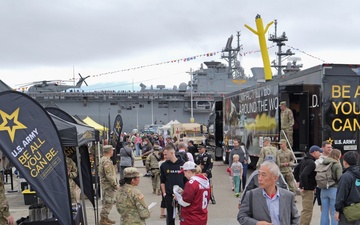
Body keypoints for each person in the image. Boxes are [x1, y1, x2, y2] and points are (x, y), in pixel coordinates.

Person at [160, 144, 185, 225]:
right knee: (170, 216)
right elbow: (162, 181)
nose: (164, 156)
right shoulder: (164, 165)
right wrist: (164, 194)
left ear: (172, 153)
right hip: (169, 194)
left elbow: (187, 180)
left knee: (183, 215)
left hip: (182, 195)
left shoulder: (183, 164)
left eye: (165, 154)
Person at [297, 145, 322, 225]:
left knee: (307, 209)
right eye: (319, 152)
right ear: (314, 152)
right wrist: (305, 186)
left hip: (307, 188)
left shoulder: (304, 160)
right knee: (307, 210)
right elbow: (304, 174)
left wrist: (298, 181)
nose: (320, 154)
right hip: (308, 190)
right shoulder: (311, 163)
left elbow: (296, 170)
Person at [335, 151, 360, 224]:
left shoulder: (346, 176)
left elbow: (341, 195)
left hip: (348, 210)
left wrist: (338, 210)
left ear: (345, 162)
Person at [320, 149, 342, 225]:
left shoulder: (323, 162)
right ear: (337, 155)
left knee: (324, 212)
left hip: (323, 189)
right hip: (334, 189)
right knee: (334, 213)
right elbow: (340, 178)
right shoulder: (337, 164)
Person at [99, 145, 120, 225]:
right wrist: (115, 185)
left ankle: (105, 217)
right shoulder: (107, 161)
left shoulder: (104, 159)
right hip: (108, 185)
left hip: (106, 185)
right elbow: (109, 175)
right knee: (108, 202)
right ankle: (103, 220)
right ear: (109, 151)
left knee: (108, 202)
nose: (113, 152)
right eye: (112, 150)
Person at [315, 141, 333, 208]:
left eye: (331, 147)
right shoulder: (318, 159)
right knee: (323, 206)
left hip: (332, 185)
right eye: (328, 147)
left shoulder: (333, 158)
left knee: (333, 206)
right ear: (322, 148)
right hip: (321, 185)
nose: (330, 149)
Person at [158, 150, 167, 219]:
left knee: (163, 198)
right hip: (166, 181)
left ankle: (162, 213)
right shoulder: (164, 163)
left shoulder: (160, 163)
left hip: (162, 181)